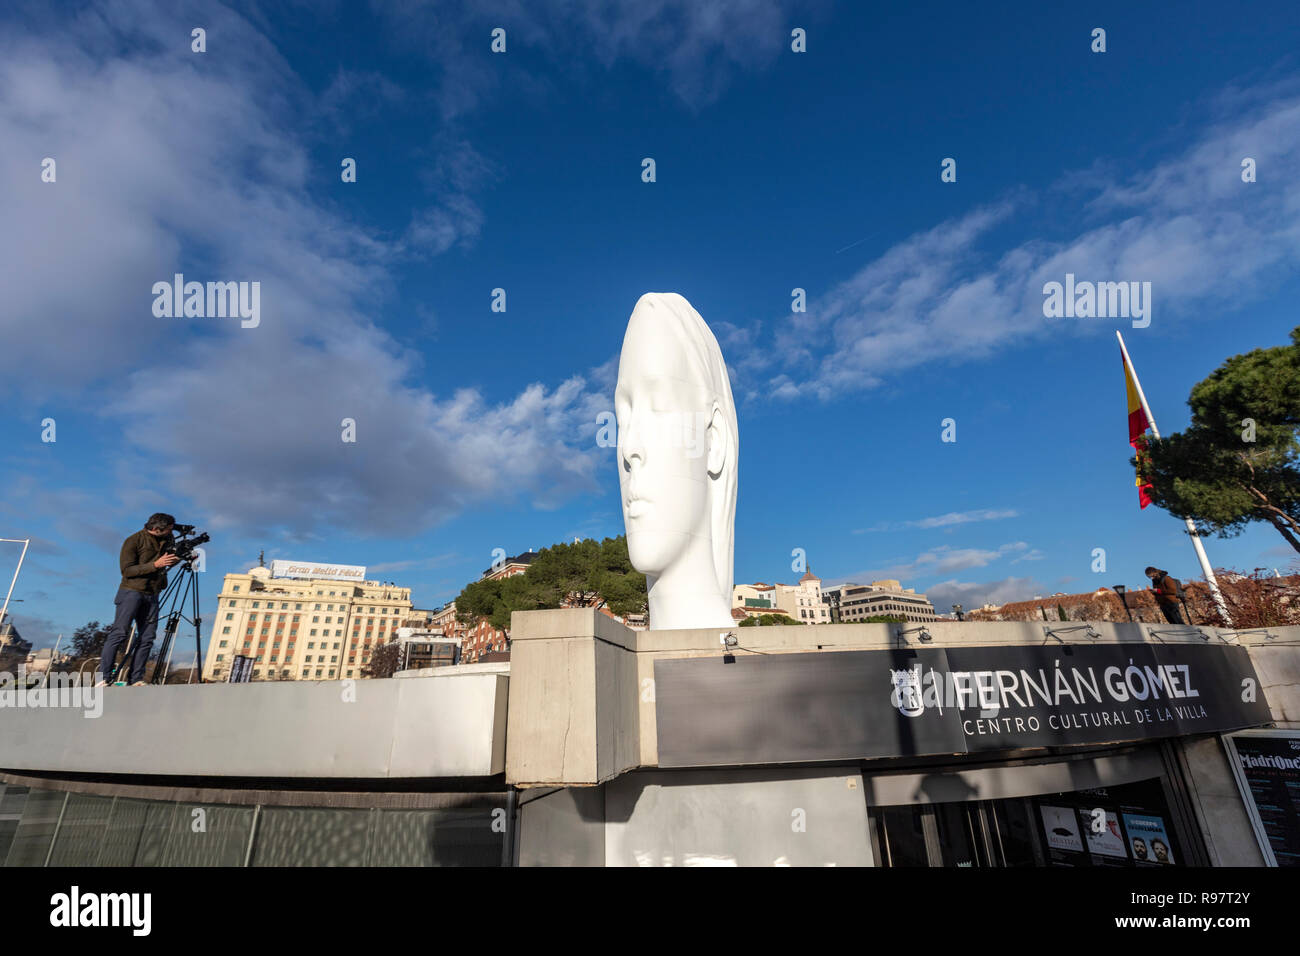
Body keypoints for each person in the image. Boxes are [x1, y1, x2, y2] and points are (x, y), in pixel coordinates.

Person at [99, 513, 179, 686]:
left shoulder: (168, 539)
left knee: (147, 637)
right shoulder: (133, 541)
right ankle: (103, 677)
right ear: (156, 529)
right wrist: (155, 565)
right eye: (167, 530)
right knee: (119, 633)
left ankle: (136, 678)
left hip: (153, 592)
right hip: (131, 592)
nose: (170, 533)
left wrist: (175, 560)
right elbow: (127, 570)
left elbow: (166, 563)